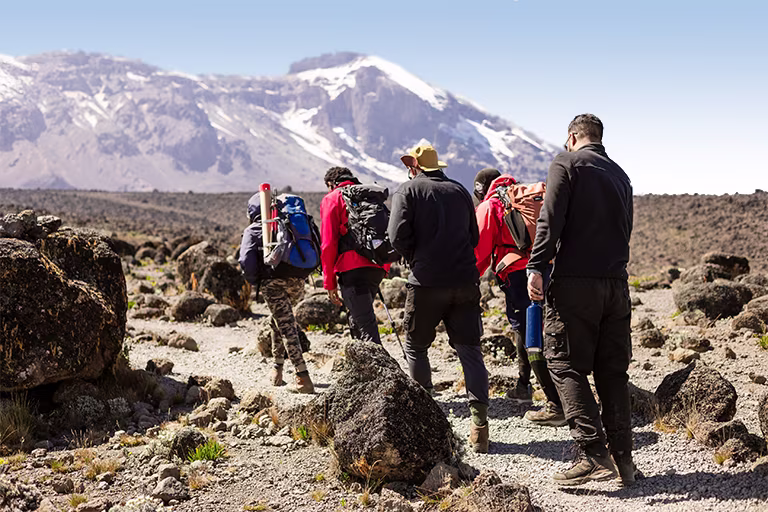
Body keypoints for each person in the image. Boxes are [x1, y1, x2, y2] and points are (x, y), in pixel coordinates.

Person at [527, 114, 635, 486]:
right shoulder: (621, 175)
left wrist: (536, 266)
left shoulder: (566, 163)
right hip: (616, 285)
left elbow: (550, 218)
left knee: (564, 364)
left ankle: (593, 454)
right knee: (612, 372)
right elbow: (627, 228)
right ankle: (625, 461)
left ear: (572, 137)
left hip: (575, 284)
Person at [388, 145, 491, 453]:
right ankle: (480, 428)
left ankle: (426, 420)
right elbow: (474, 237)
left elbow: (396, 236)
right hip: (465, 281)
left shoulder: (408, 190)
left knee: (416, 347)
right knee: (470, 350)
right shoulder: (460, 191)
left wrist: (414, 256)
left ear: (415, 166)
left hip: (427, 282)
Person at [474, 172, 566, 427]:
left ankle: (555, 403)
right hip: (548, 268)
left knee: (530, 333)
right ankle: (525, 385)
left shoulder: (492, 204)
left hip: (517, 276)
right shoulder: (530, 197)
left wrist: (471, 276)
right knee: (540, 329)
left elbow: (480, 248)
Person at [239, 194, 314, 393]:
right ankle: (277, 369)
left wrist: (257, 281)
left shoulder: (255, 229)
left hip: (273, 284)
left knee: (286, 325)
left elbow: (246, 260)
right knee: (279, 319)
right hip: (299, 281)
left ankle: (302, 376)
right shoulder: (290, 225)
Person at [320, 167, 389, 344]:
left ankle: (381, 370)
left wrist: (329, 282)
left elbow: (328, 244)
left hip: (351, 269)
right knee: (358, 319)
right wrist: (384, 266)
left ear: (330, 184)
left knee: (366, 327)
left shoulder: (333, 198)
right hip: (377, 266)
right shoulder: (369, 196)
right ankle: (360, 367)